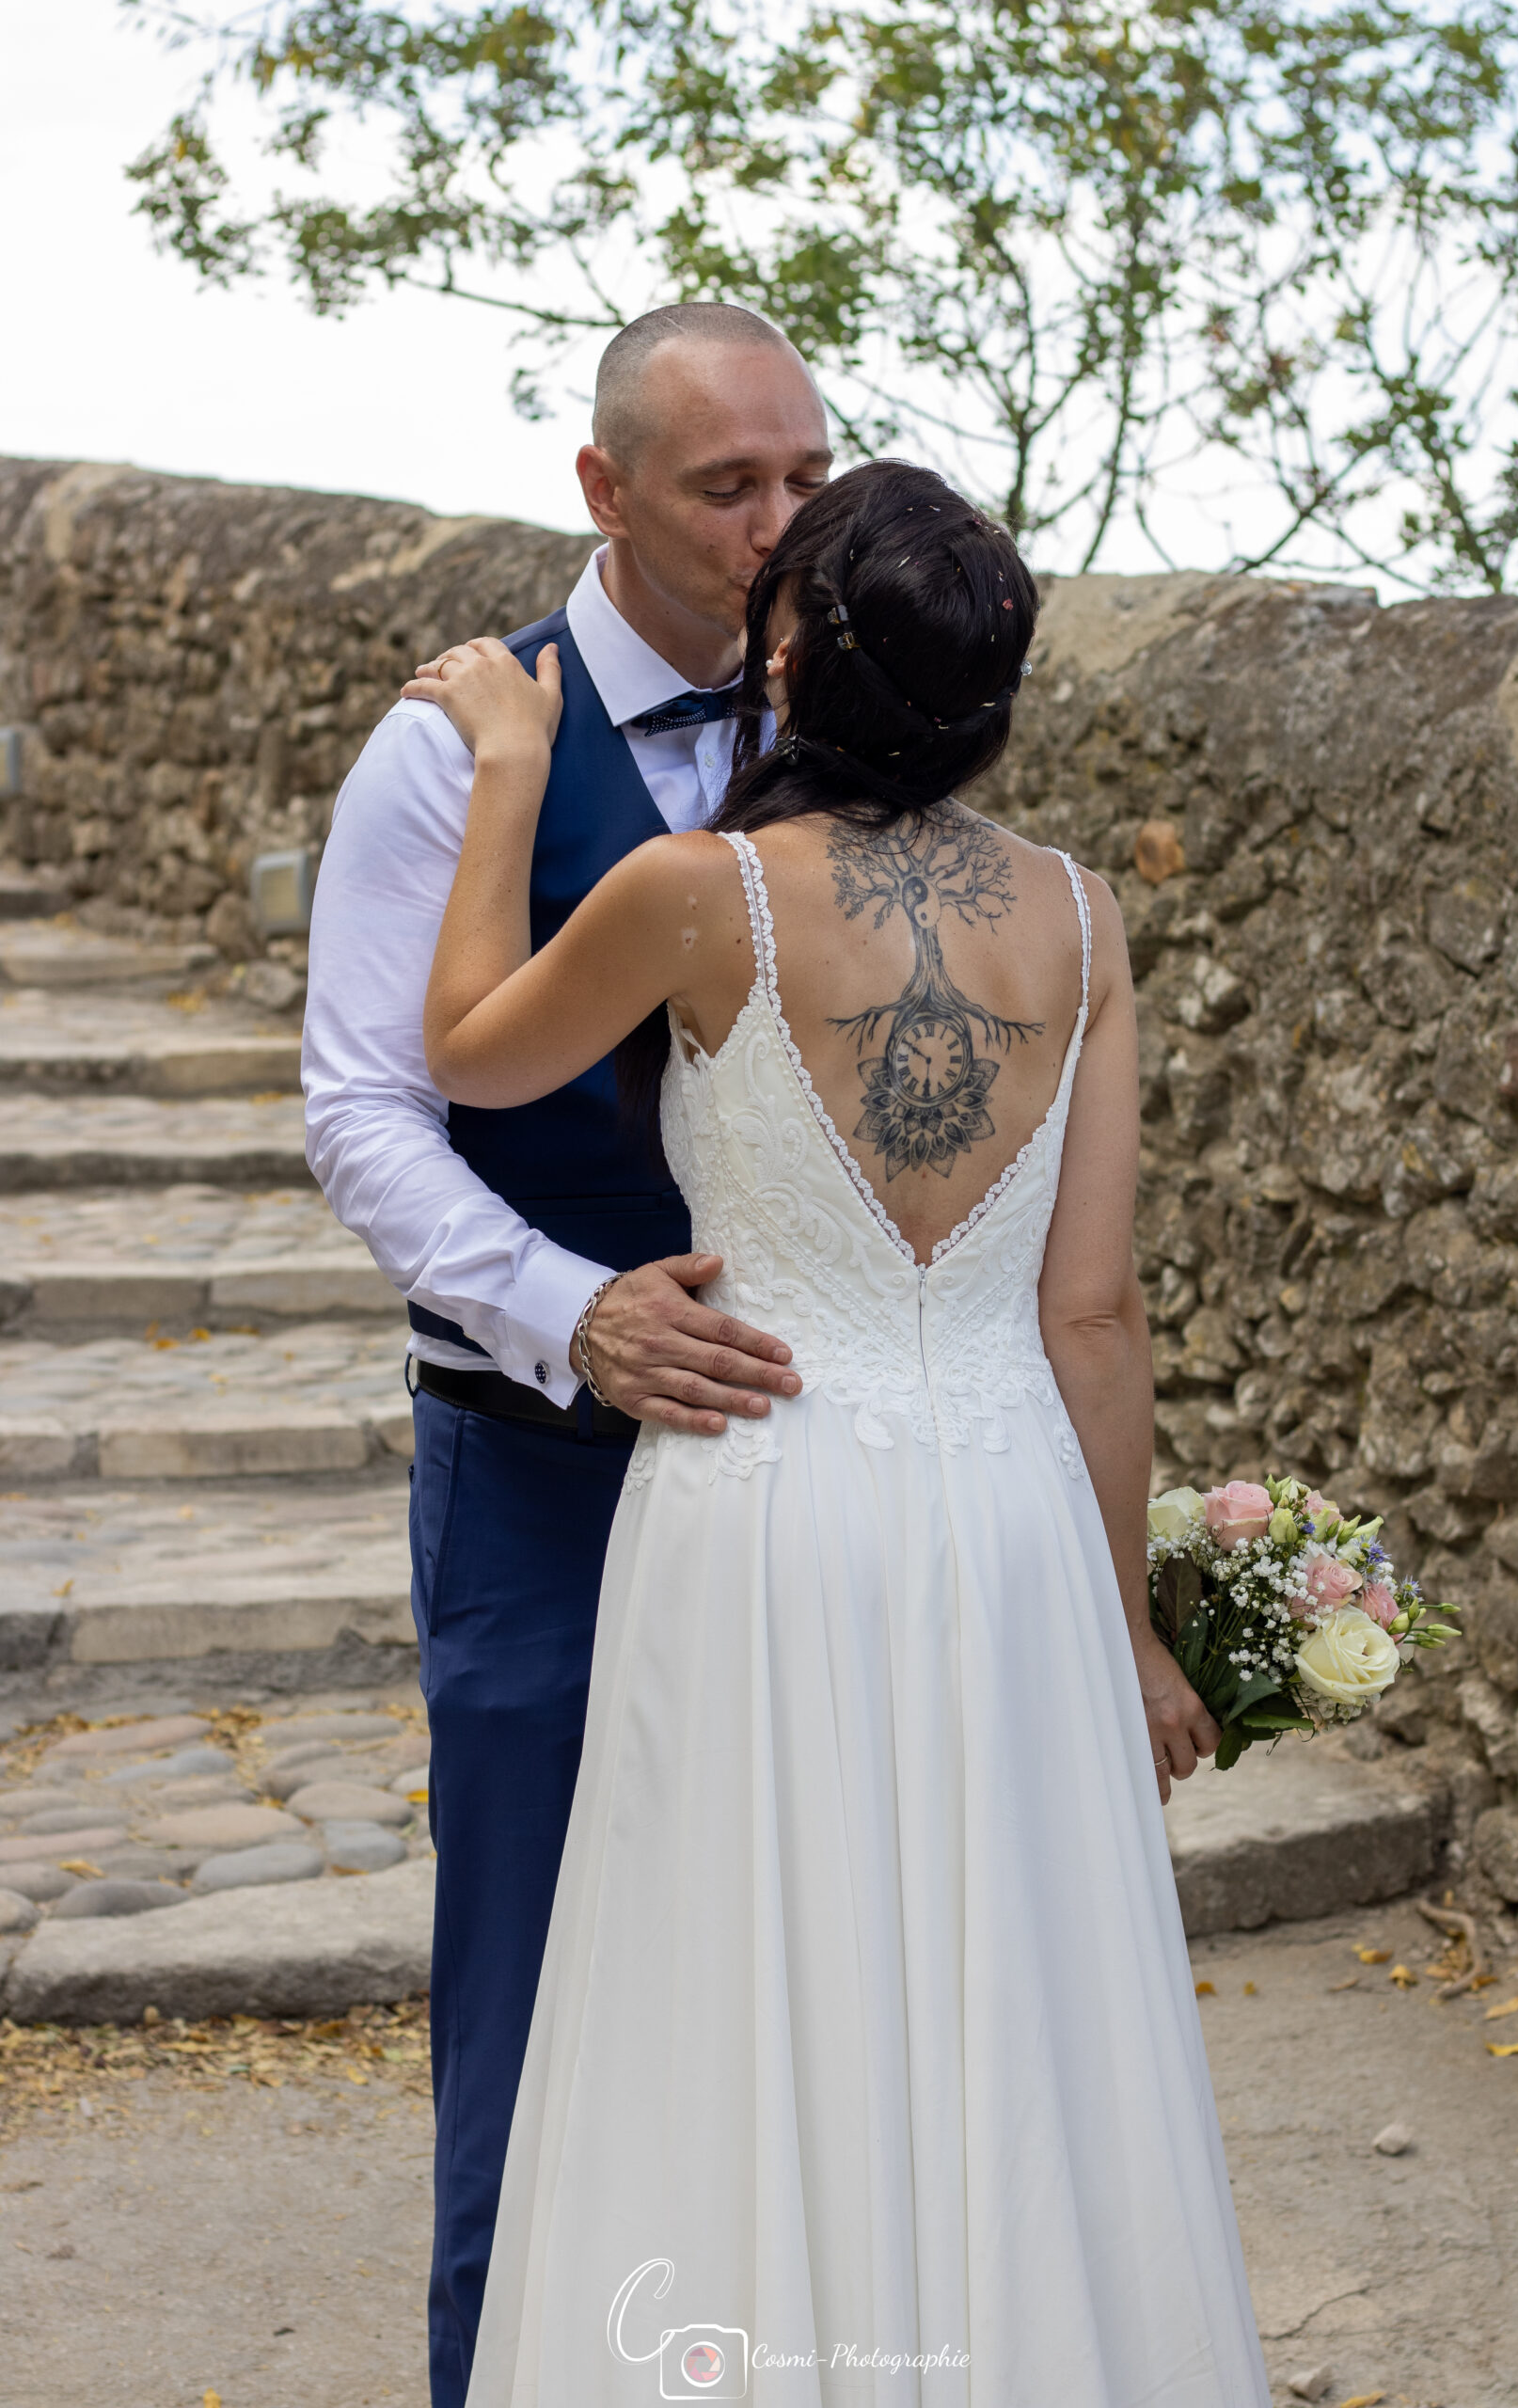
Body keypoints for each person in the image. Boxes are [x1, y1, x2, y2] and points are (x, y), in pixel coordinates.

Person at [410, 460, 1272, 2404]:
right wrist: (1131, 1621)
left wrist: (500, 765)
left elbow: (464, 1048)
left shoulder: (690, 894)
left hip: (763, 1495)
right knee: (1010, 1998)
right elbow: (1089, 1310)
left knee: (734, 1980)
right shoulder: (1078, 913)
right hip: (1010, 1519)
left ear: (787, 650)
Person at [301, 304, 831, 2408]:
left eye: (805, 472)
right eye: (728, 485)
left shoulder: (845, 730)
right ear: (601, 490)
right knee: (523, 2004)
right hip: (531, 1472)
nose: (780, 523)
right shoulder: (452, 745)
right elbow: (359, 1106)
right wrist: (568, 1313)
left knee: (783, 1987)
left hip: (796, 1457)